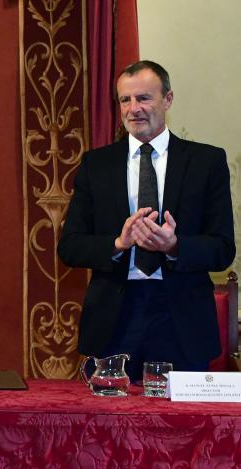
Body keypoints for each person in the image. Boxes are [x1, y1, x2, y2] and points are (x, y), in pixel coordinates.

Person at [58, 60, 234, 380]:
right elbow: (70, 247)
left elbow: (223, 248)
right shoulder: (96, 164)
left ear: (167, 100)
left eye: (143, 98)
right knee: (109, 428)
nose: (133, 109)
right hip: (115, 318)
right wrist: (118, 243)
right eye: (125, 100)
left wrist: (176, 246)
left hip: (181, 318)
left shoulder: (206, 162)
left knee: (182, 428)